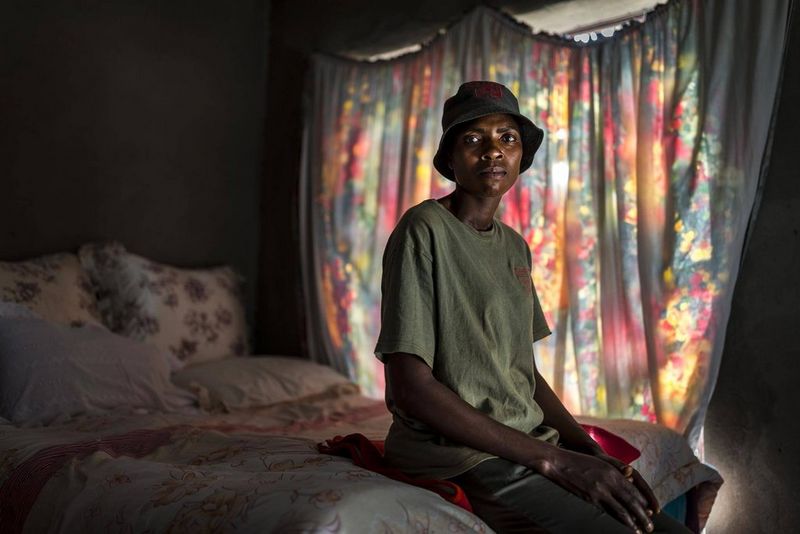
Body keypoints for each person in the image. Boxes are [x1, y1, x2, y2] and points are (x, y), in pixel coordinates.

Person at [374, 81, 691, 534]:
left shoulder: (515, 247)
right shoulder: (423, 229)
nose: (493, 151)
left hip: (519, 445)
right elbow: (411, 388)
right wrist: (552, 460)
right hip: (461, 457)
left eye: (508, 138)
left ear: (522, 156)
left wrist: (585, 448)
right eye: (473, 139)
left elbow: (522, 372)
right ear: (449, 158)